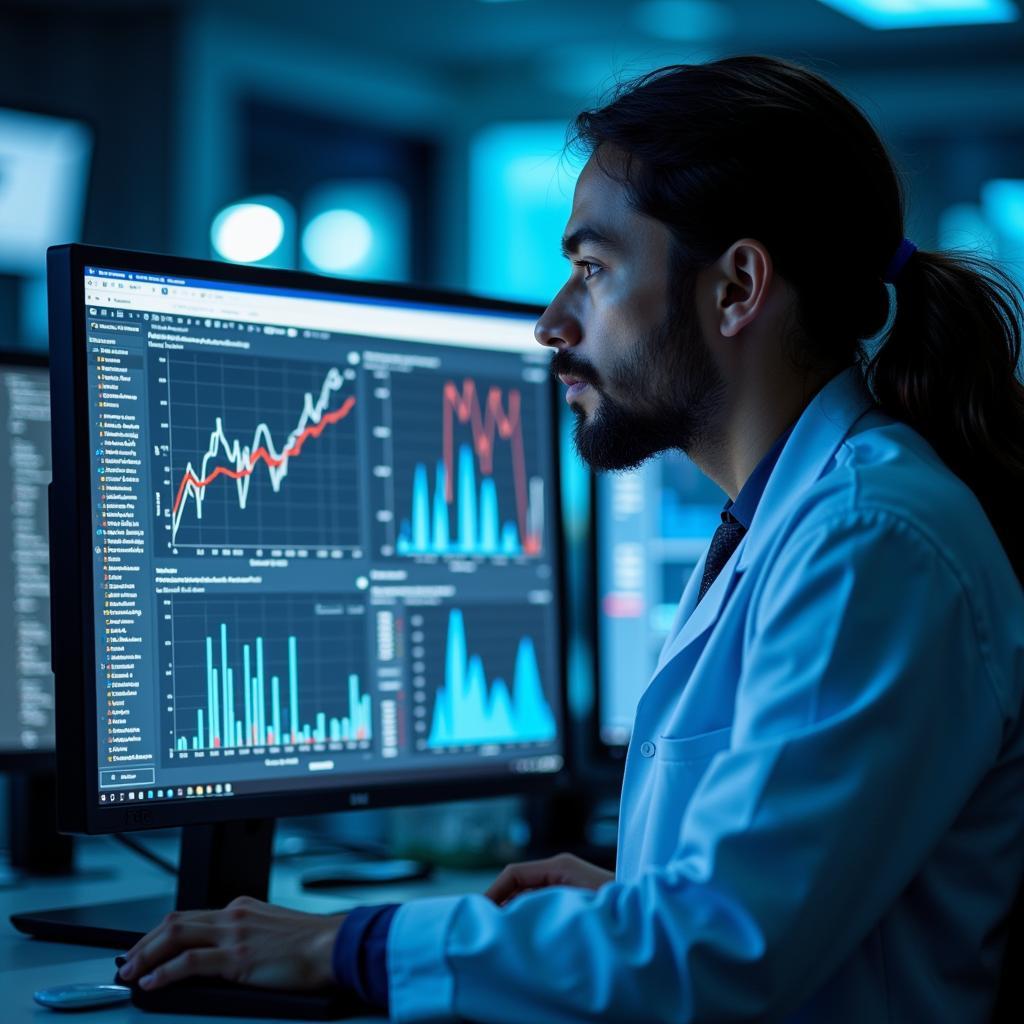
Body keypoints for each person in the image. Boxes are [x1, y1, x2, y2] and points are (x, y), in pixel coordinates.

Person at [117, 55, 1024, 1022]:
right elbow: (760, 901)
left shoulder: (869, 544)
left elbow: (719, 953)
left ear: (737, 289)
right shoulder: (799, 520)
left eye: (592, 270)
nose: (552, 322)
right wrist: (631, 903)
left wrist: (352, 943)